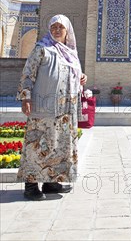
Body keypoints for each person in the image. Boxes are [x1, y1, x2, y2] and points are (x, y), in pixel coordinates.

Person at [17, 14, 87, 201]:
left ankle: (51, 182)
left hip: (65, 111)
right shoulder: (42, 49)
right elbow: (27, 74)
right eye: (53, 27)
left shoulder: (70, 52)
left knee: (59, 144)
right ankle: (31, 185)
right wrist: (26, 98)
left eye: (60, 27)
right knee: (38, 144)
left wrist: (81, 77)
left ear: (67, 31)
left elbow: (70, 72)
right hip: (43, 107)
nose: (57, 30)